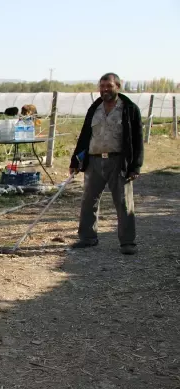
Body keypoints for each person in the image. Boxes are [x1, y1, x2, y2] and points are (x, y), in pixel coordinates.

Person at [69, 72, 143, 255]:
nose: (104, 90)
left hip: (118, 161)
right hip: (94, 161)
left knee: (123, 202)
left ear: (118, 86)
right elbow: (86, 135)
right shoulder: (95, 108)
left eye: (108, 86)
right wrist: (75, 160)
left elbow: (137, 139)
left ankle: (127, 242)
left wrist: (135, 166)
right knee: (88, 201)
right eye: (102, 86)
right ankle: (87, 238)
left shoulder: (129, 109)